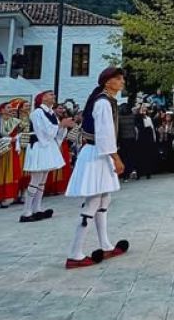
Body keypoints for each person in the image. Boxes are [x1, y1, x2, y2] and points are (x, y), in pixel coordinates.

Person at [65, 66, 129, 269]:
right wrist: (115, 157)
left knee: (103, 199)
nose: (122, 82)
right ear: (108, 82)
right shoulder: (102, 102)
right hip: (96, 154)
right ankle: (75, 253)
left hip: (99, 153)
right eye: (118, 79)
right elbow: (104, 134)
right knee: (93, 201)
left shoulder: (106, 100)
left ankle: (105, 244)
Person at [21, 91, 74, 222]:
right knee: (36, 179)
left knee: (42, 180)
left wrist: (63, 127)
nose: (53, 97)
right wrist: (62, 124)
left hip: (46, 147)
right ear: (43, 98)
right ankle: (26, 212)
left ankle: (37, 208)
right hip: (39, 146)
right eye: (50, 95)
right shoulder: (37, 113)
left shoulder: (50, 113)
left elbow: (55, 132)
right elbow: (43, 130)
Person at [135, 102, 158, 178]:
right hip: (141, 138)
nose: (144, 109)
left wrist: (154, 137)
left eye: (145, 108)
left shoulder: (149, 118)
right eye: (142, 108)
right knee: (140, 156)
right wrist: (140, 113)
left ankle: (148, 172)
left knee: (148, 155)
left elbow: (152, 128)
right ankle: (139, 173)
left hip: (148, 138)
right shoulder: (138, 117)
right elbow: (138, 126)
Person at [117, 101, 138, 180]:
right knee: (131, 156)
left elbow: (118, 130)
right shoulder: (132, 116)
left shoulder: (119, 118)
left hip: (123, 139)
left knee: (124, 157)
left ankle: (125, 174)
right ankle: (132, 170)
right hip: (132, 138)